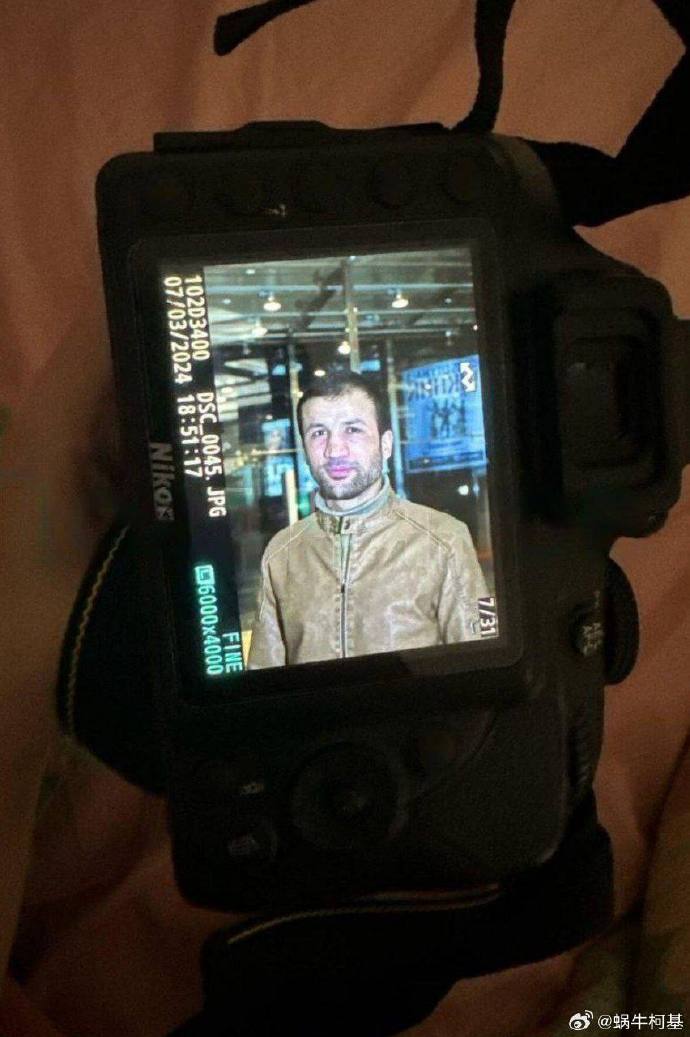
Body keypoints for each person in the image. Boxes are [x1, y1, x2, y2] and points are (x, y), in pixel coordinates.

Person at [247, 370, 489, 668]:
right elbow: (263, 678)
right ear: (305, 450)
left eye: (353, 429)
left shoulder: (444, 540)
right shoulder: (282, 553)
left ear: (386, 444)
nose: (335, 450)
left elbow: (482, 667)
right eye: (318, 433)